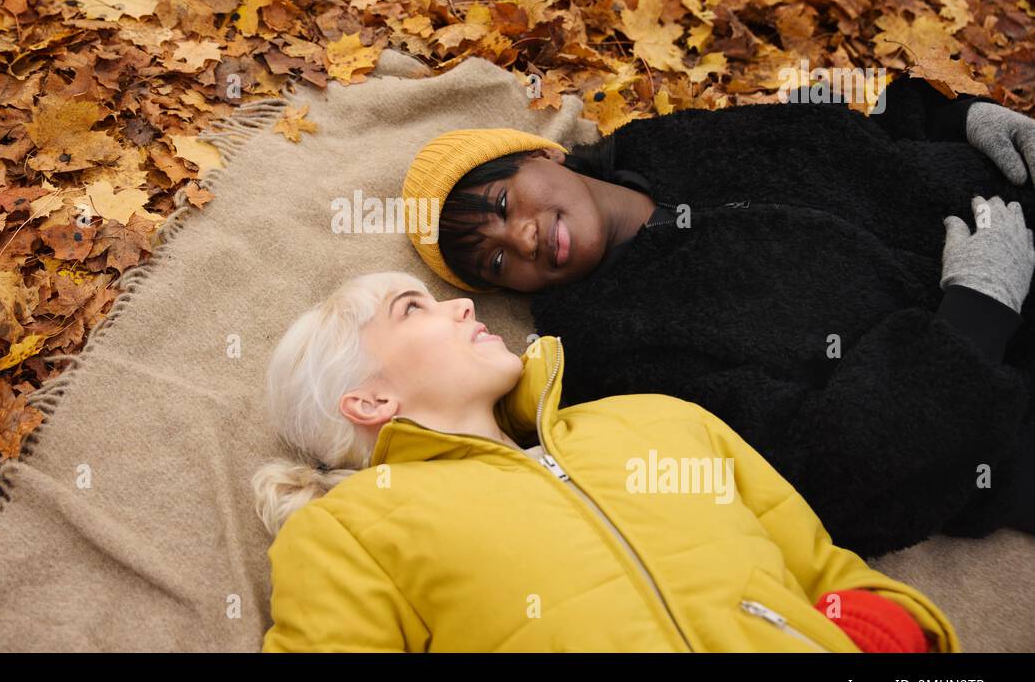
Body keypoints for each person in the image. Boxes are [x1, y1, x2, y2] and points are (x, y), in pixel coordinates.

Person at [399, 76, 1035, 558]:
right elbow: (824, 479)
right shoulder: (611, 350)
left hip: (1009, 184)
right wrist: (978, 313)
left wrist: (960, 117)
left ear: (545, 155)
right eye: (497, 261)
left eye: (506, 204)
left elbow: (841, 121)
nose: (525, 238)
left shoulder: (667, 139)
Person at [254, 271, 960, 653]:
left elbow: (827, 574)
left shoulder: (653, 417)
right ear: (369, 399)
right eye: (414, 308)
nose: (463, 304)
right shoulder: (345, 529)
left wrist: (883, 638)